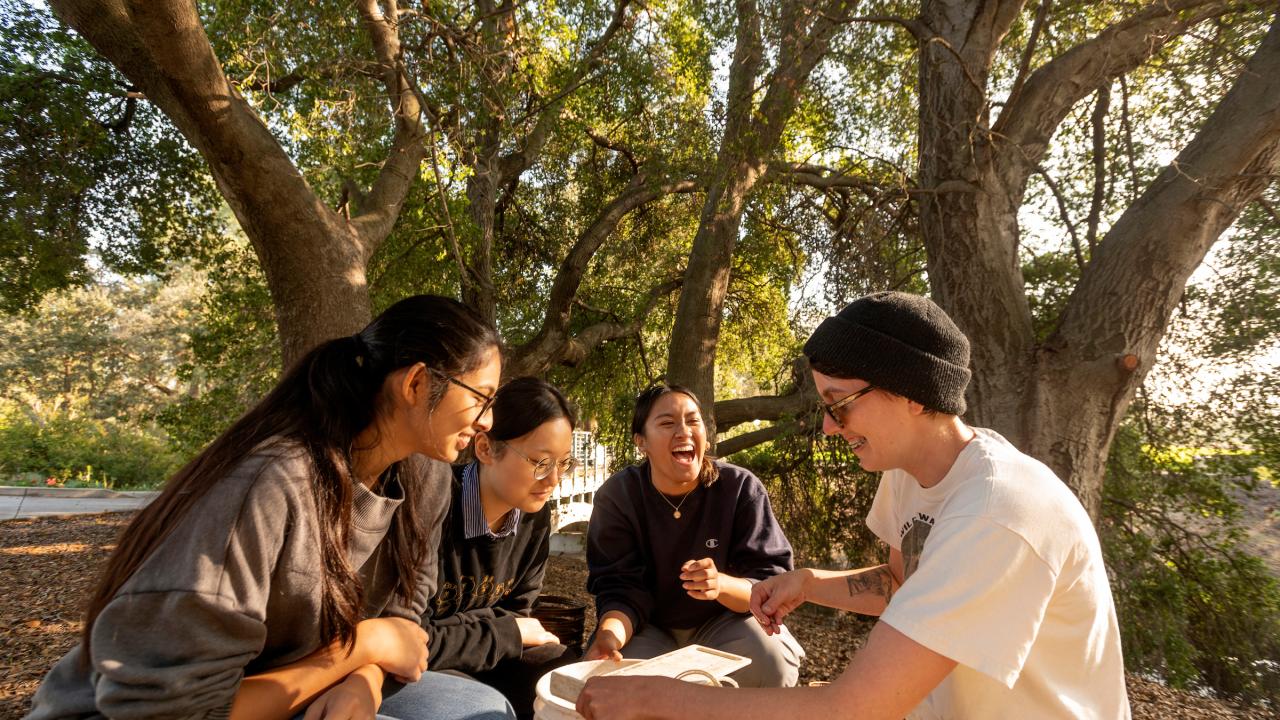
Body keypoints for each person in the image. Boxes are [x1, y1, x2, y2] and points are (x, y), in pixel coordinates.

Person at [574, 292, 1130, 720]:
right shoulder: (910, 473)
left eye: (840, 405)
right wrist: (810, 582)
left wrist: (666, 701)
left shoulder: (996, 513)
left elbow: (852, 708)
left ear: (912, 392)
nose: (827, 424)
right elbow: (899, 583)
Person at [26, 295, 516, 720]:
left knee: (480, 711)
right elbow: (168, 711)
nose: (488, 421)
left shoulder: (425, 477)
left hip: (294, 687)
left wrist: (363, 680)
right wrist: (360, 649)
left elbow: (404, 617)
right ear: (415, 384)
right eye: (482, 397)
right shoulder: (272, 483)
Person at [583, 384, 803, 688]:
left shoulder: (740, 489)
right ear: (641, 442)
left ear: (706, 434)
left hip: (726, 624)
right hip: (646, 628)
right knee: (612, 678)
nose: (683, 431)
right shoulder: (618, 497)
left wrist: (721, 584)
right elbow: (619, 589)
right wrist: (608, 638)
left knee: (772, 664)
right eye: (667, 422)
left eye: (693, 420)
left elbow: (770, 584)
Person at [425, 377, 582, 718]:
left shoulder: (533, 518)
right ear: (484, 448)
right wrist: (503, 630)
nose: (554, 480)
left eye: (563, 463)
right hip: (416, 666)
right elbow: (413, 638)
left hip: (479, 652)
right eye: (541, 462)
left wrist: (501, 629)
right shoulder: (433, 505)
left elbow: (518, 613)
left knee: (563, 676)